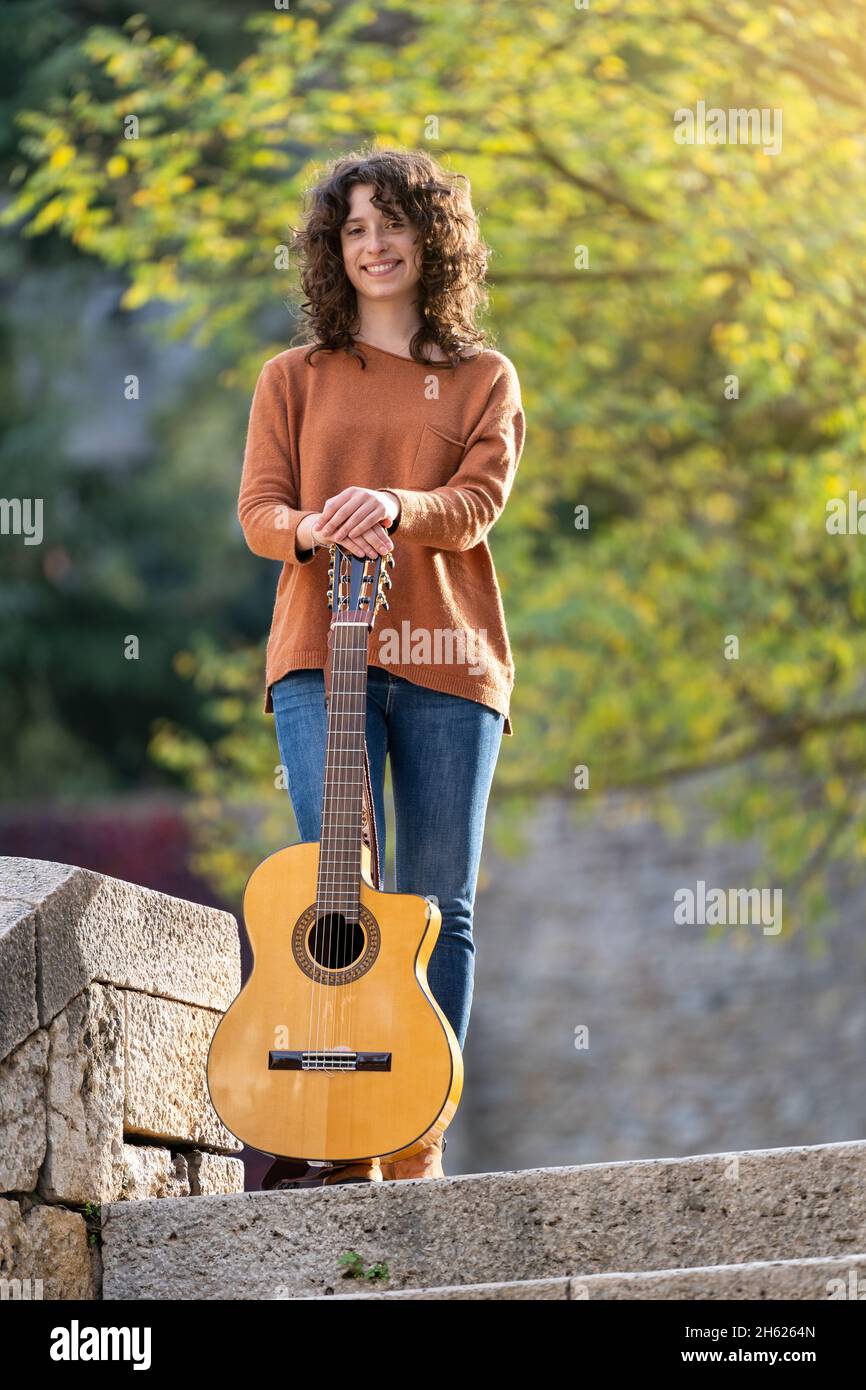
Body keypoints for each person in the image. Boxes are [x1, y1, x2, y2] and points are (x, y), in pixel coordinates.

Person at [238, 146, 526, 1187]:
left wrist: (395, 505)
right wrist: (315, 524)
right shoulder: (292, 379)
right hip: (320, 652)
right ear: (331, 249)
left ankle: (413, 1127)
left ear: (430, 237)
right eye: (353, 228)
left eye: (392, 223)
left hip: (448, 654)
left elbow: (474, 506)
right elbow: (258, 515)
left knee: (438, 899)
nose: (373, 244)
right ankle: (343, 1114)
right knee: (343, 889)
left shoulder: (483, 376)